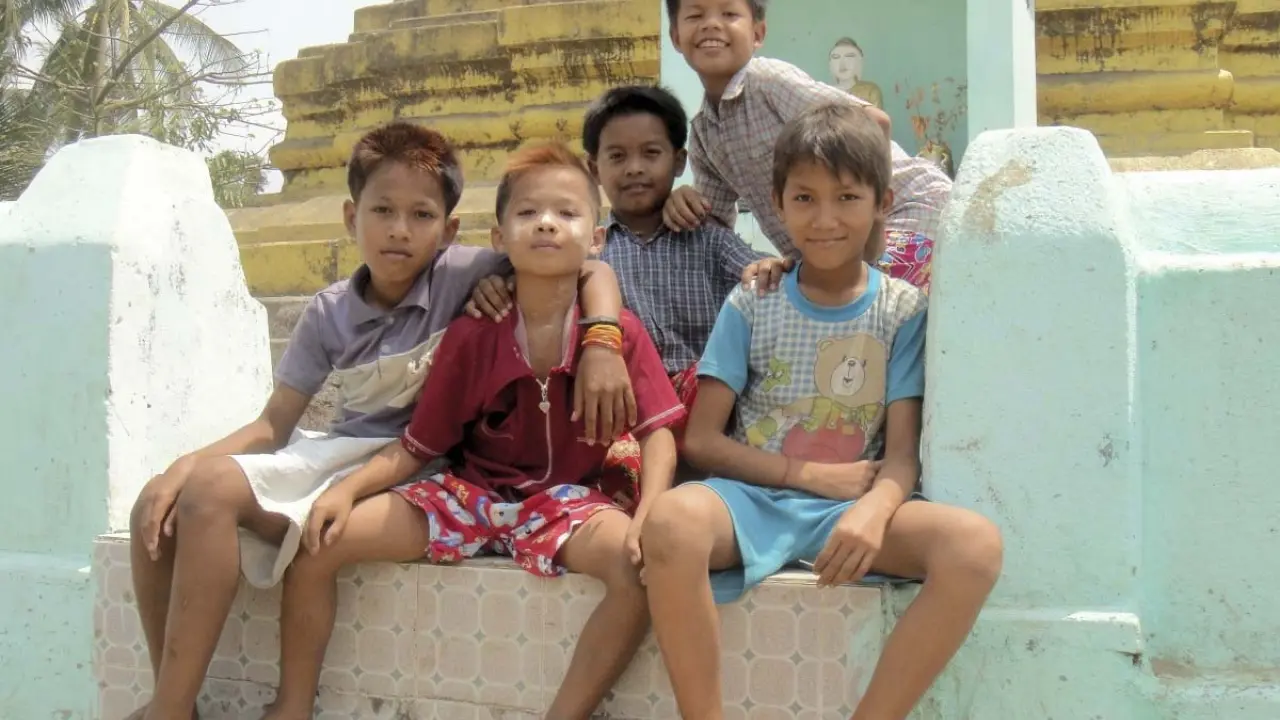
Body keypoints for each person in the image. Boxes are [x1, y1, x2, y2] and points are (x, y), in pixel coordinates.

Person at [124, 122, 635, 720]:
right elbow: (273, 425)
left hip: (415, 467)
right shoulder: (329, 311)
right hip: (341, 454)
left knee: (210, 488)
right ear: (351, 216)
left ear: (448, 231)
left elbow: (588, 268)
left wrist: (603, 337)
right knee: (157, 500)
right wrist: (182, 464)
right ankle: (174, 701)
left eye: (421, 215)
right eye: (383, 210)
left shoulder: (465, 273)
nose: (399, 229)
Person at [287, 141, 685, 720]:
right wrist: (345, 493)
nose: (546, 223)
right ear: (499, 238)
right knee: (321, 541)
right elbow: (418, 446)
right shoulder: (473, 332)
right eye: (527, 212)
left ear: (596, 239)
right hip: (468, 495)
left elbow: (658, 433)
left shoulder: (615, 333)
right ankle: (292, 706)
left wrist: (649, 513)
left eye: (567, 213)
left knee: (635, 572)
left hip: (566, 502)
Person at [641, 104, 1003, 720]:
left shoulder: (902, 310)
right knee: (672, 523)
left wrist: (872, 512)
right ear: (778, 205)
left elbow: (902, 455)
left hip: (849, 509)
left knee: (974, 548)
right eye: (804, 198)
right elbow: (702, 440)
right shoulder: (752, 301)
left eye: (847, 197)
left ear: (882, 203)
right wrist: (805, 475)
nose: (826, 219)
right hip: (751, 501)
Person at [469, 84, 788, 432]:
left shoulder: (708, 239)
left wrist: (767, 267)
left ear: (679, 161)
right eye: (617, 157)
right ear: (594, 168)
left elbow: (768, 277)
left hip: (710, 410)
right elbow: (532, 277)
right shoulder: (585, 249)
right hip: (624, 412)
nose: (634, 168)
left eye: (651, 153)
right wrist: (496, 284)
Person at [661, 0, 950, 292]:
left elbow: (875, 122)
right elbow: (715, 230)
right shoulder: (704, 133)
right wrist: (682, 201)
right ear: (675, 37)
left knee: (874, 309)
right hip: (840, 247)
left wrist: (874, 231)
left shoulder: (767, 82)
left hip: (905, 213)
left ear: (758, 33)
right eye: (695, 15)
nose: (711, 24)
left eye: (729, 14)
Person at [828, 36, 883, 109]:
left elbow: (876, 115)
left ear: (859, 61)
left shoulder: (870, 90)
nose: (842, 64)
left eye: (849, 57)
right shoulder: (827, 93)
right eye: (836, 57)